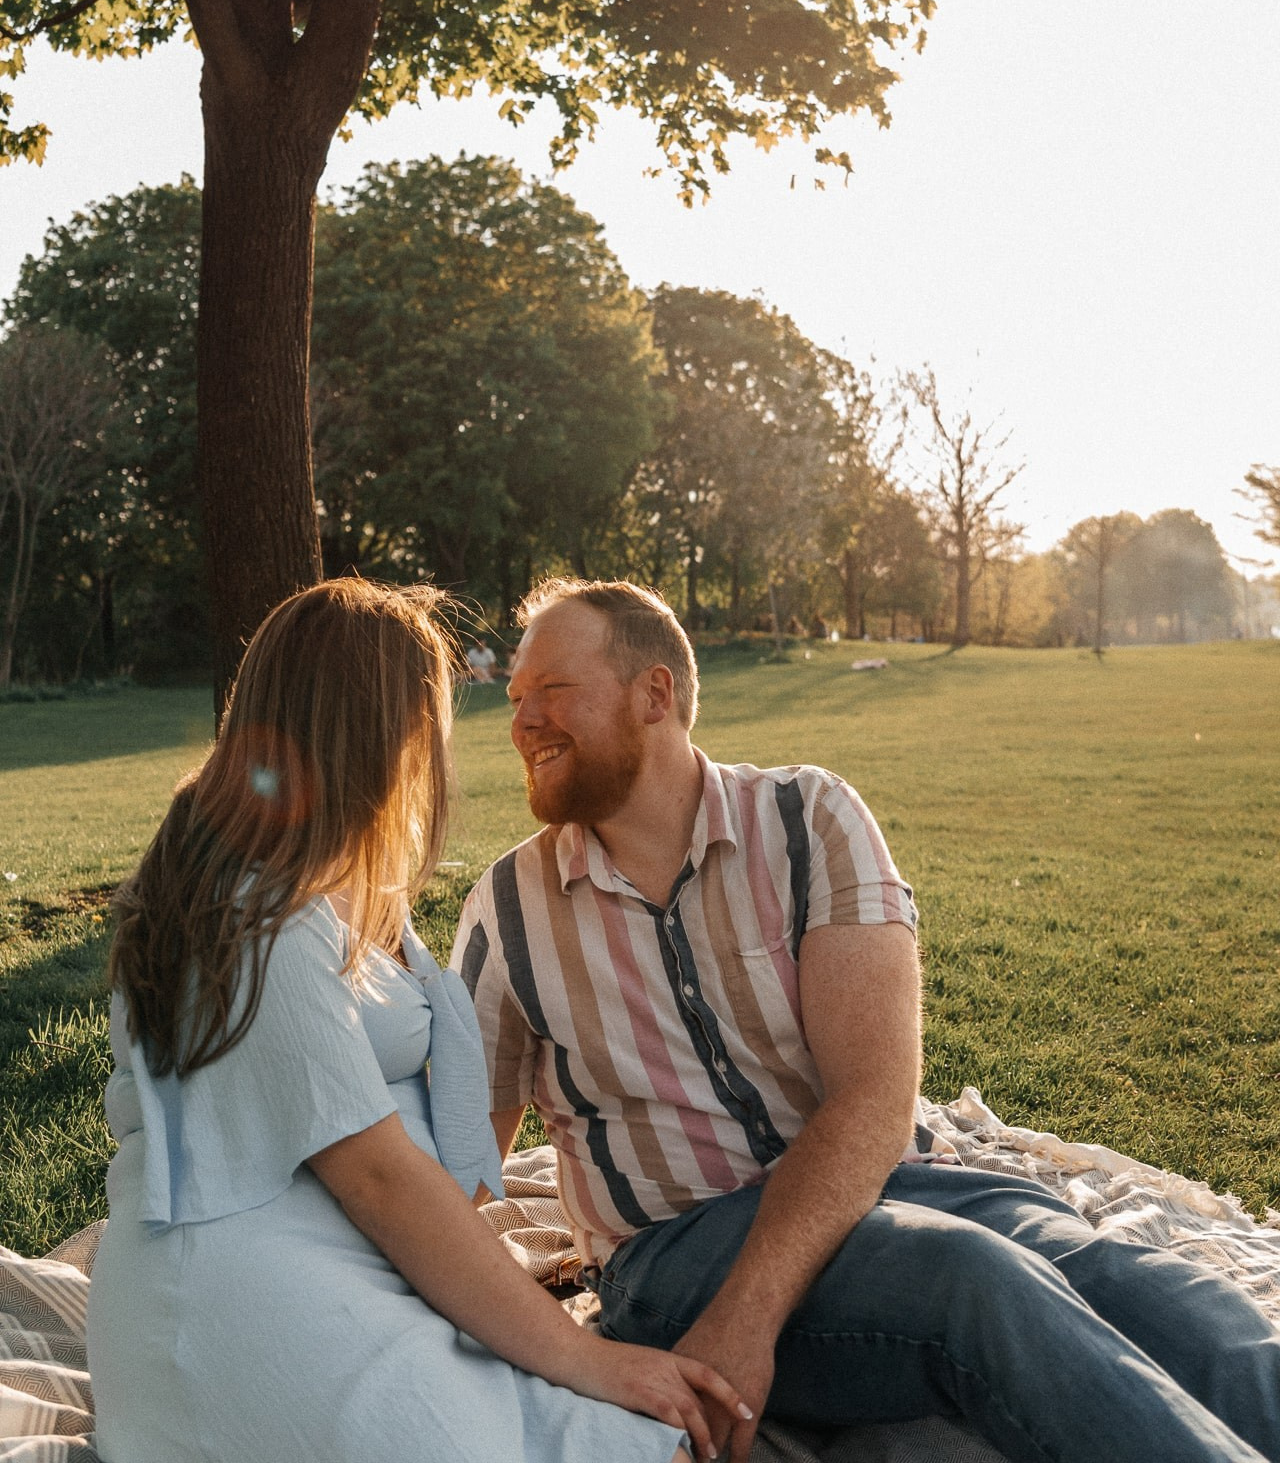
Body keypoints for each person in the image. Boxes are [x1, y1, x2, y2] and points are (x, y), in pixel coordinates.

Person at [452, 577, 1280, 1463]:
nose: (523, 720)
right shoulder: (506, 913)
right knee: (971, 1283)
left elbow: (877, 1096)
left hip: (902, 1186)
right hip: (678, 1260)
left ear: (654, 695)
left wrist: (752, 1315)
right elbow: (461, 1172)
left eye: (552, 690)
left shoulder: (808, 820)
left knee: (1151, 1288)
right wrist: (726, 1321)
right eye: (515, 698)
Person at [86, 578, 750, 1463]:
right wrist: (588, 1359)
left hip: (357, 1279)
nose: (437, 752)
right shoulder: (249, 921)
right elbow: (380, 1179)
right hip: (246, 1309)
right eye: (424, 721)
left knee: (656, 1445)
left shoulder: (334, 893)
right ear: (371, 732)